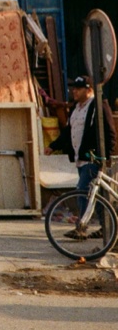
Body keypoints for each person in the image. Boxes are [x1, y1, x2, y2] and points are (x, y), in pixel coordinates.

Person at [47, 75, 116, 238]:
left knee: (82, 190)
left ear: (89, 90)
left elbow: (110, 132)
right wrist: (53, 146)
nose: (74, 91)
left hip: (93, 158)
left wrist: (105, 157)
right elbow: (68, 131)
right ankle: (106, 227)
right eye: (74, 88)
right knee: (95, 195)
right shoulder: (76, 108)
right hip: (80, 158)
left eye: (79, 88)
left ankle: (81, 227)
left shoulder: (98, 105)